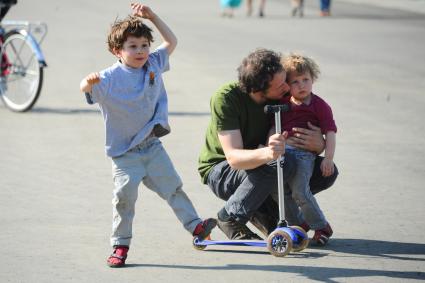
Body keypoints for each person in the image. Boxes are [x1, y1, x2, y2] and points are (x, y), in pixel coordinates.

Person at [80, 3, 216, 268]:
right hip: (124, 154)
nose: (141, 51)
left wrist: (152, 17)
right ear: (117, 51)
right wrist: (88, 81)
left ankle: (197, 227)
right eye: (133, 46)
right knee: (124, 200)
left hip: (152, 148)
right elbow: (84, 88)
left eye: (144, 44)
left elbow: (172, 41)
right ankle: (120, 246)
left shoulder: (153, 62)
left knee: (173, 188)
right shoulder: (107, 79)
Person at [198, 48, 338, 241]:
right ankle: (230, 217)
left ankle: (266, 209)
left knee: (325, 172)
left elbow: (308, 126)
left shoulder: (283, 99)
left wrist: (319, 145)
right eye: (282, 84)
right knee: (283, 163)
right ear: (259, 89)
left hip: (267, 164)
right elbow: (234, 158)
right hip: (222, 170)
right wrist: (268, 152)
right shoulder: (226, 98)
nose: (288, 87)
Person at [276, 53, 336, 245]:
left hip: (304, 156)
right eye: (295, 82)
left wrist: (328, 157)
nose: (301, 85)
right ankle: (299, 224)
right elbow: (273, 127)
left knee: (300, 192)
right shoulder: (283, 104)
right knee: (278, 191)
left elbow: (330, 132)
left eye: (306, 80)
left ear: (313, 79)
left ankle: (321, 226)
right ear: (287, 84)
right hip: (283, 153)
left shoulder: (319, 105)